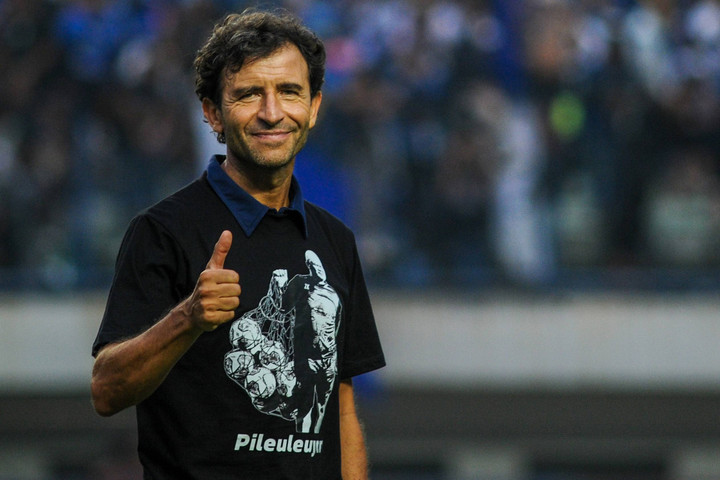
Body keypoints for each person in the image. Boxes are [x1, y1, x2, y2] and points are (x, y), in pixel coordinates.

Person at [90, 8, 386, 480]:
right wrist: (188, 318)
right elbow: (106, 391)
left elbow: (342, 408)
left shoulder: (335, 240)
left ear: (313, 107)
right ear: (213, 113)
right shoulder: (162, 231)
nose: (272, 112)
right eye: (249, 94)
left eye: (289, 91)